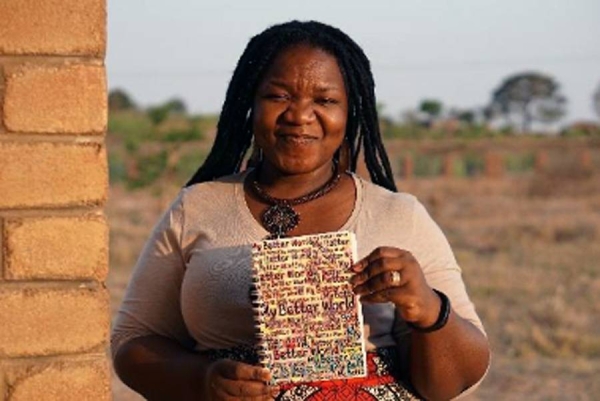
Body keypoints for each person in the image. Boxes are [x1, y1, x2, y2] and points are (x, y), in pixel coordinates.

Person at [111, 20, 490, 401]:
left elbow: (454, 382)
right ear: (250, 103)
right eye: (279, 96)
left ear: (349, 112)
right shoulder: (196, 208)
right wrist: (202, 379)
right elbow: (132, 343)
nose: (299, 115)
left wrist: (427, 308)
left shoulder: (398, 216)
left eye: (325, 100)